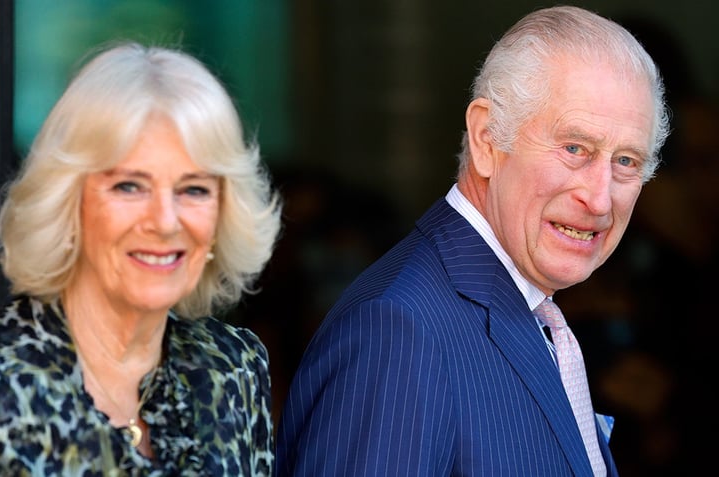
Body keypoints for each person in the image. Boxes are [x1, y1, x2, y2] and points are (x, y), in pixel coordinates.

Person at [275, 5, 669, 477]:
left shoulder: (532, 312)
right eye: (574, 149)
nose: (600, 199)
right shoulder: (402, 331)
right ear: (486, 138)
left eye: (625, 161)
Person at [0, 42, 281, 475]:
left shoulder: (233, 369)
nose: (165, 221)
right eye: (129, 186)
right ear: (68, 202)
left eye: (193, 189)